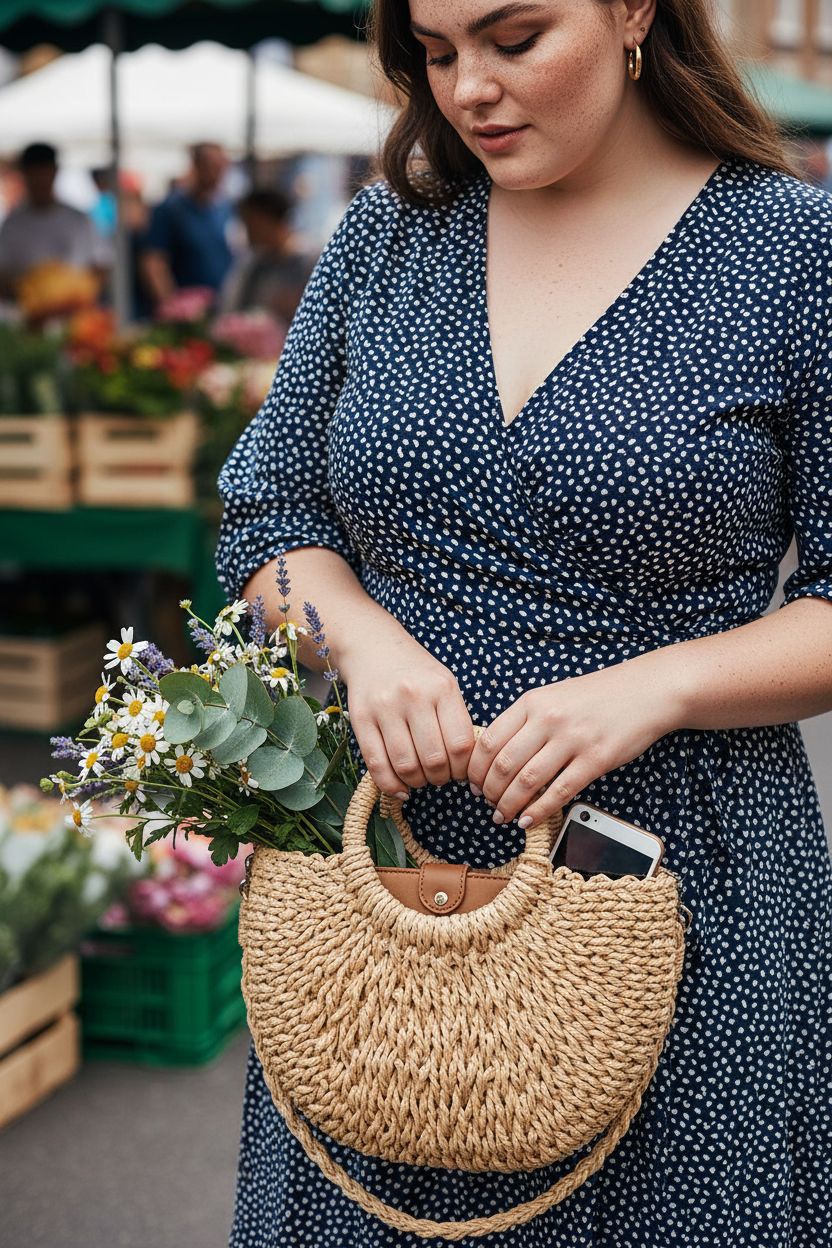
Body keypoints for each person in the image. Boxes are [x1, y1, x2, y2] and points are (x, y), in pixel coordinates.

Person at [215, 2, 832, 1245]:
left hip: (675, 876)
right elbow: (265, 511)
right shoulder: (388, 235)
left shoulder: (795, 251)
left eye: (512, 38)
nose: (469, 91)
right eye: (436, 55)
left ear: (631, 12)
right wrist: (359, 639)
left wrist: (653, 686)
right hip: (381, 890)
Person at [0, 142, 113, 300]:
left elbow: (102, 264)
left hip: (75, 311)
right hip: (27, 314)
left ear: (55, 171)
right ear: (24, 175)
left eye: (44, 172)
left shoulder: (79, 220)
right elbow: (4, 272)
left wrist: (79, 290)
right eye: (34, 173)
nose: (40, 180)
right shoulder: (12, 225)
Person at [137, 141, 235, 309]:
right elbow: (154, 262)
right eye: (211, 166)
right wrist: (173, 307)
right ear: (196, 166)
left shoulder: (225, 208)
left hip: (222, 305)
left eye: (221, 167)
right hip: (189, 310)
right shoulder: (170, 209)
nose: (217, 174)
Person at [217, 187, 315, 321]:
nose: (246, 231)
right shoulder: (251, 264)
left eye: (249, 222)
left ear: (265, 220)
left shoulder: (309, 261)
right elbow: (230, 307)